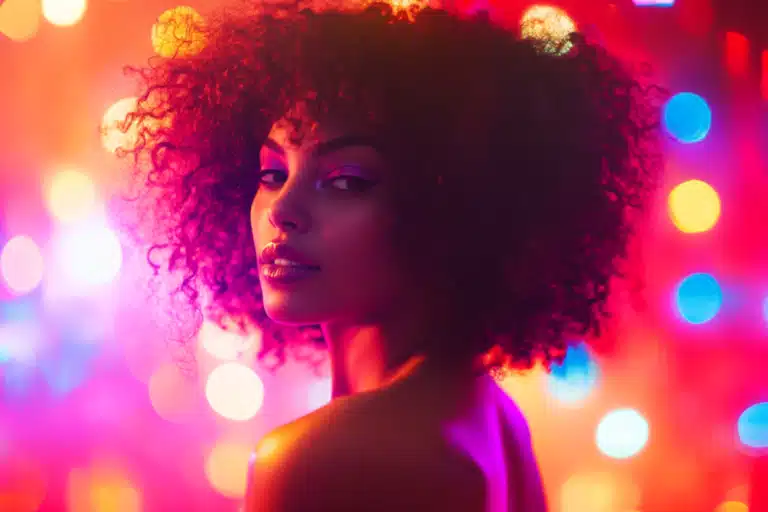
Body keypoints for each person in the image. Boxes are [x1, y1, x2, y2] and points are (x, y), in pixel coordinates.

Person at [120, 1, 663, 510]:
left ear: (451, 205)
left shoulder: (321, 460)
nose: (283, 208)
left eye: (347, 181)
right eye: (272, 173)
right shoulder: (491, 416)